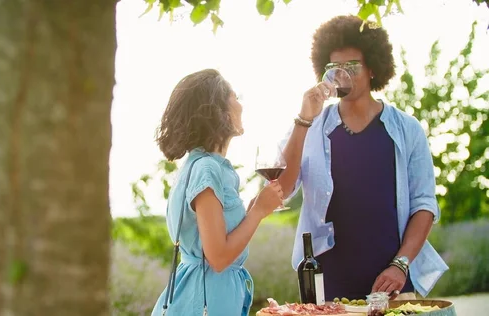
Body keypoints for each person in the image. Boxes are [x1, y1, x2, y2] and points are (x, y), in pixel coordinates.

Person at [277, 15, 449, 301]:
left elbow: (424, 204)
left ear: (372, 68)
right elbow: (281, 188)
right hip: (328, 286)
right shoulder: (310, 126)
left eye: (352, 67)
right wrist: (303, 119)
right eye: (334, 68)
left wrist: (400, 264)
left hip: (392, 282)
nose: (342, 75)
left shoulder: (407, 129)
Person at [150, 69, 284, 316]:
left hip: (206, 297)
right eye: (235, 97)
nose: (241, 105)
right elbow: (218, 257)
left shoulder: (202, 165)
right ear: (219, 113)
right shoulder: (207, 169)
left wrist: (255, 208)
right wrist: (258, 213)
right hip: (204, 301)